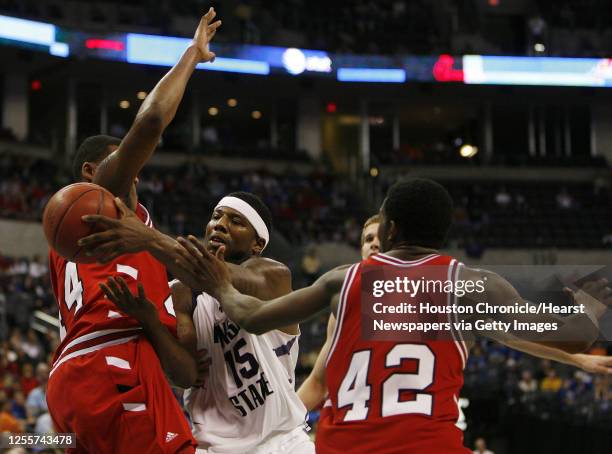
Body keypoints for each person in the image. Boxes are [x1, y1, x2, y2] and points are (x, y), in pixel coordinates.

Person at [180, 178, 611, 453]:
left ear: (390, 230)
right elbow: (568, 335)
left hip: (343, 445)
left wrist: (218, 282)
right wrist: (591, 303)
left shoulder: (342, 281)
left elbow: (253, 316)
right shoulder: (470, 283)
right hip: (428, 444)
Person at [45, 9, 221, 453]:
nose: (135, 173)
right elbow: (149, 124)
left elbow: (183, 373)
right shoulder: (98, 202)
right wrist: (191, 56)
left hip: (77, 379)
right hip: (111, 365)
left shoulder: (102, 241)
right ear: (90, 172)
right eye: (125, 161)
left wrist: (152, 323)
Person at [89, 192, 315, 453]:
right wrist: (151, 322)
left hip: (283, 441)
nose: (219, 224)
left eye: (236, 221)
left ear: (257, 244)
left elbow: (214, 275)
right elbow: (184, 377)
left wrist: (147, 238)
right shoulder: (179, 294)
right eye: (216, 216)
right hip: (213, 447)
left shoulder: (273, 276)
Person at [298, 214, 380, 412]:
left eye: (382, 239)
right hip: (351, 426)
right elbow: (318, 384)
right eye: (368, 239)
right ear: (361, 250)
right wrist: (273, 427)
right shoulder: (342, 307)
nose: (374, 244)